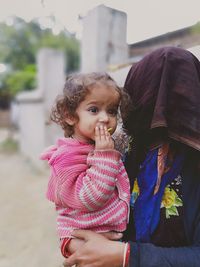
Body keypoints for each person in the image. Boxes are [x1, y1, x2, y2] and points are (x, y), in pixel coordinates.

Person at [63, 46, 200, 267]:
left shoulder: (195, 162)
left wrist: (127, 255)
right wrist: (75, 241)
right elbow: (76, 205)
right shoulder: (123, 151)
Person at [40, 72, 130, 259]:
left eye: (112, 110)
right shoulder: (67, 157)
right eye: (94, 110)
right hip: (84, 240)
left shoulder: (96, 145)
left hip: (105, 239)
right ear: (70, 115)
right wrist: (104, 156)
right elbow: (88, 199)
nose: (105, 118)